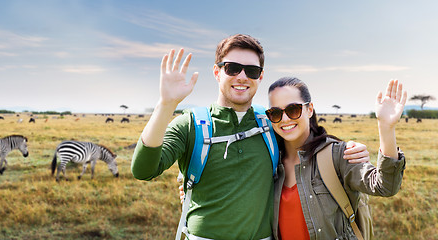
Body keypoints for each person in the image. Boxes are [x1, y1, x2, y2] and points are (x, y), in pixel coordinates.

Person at [131, 34, 369, 240]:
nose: (242, 76)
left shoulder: (271, 123)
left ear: (260, 77)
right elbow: (143, 170)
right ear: (217, 72)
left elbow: (305, 143)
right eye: (232, 68)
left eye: (252, 71)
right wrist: (166, 104)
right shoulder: (190, 123)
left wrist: (347, 147)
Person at [266, 77, 406, 239]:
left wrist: (386, 127)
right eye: (275, 113)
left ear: (310, 109)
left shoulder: (336, 154)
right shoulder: (271, 163)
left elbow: (385, 186)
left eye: (293, 110)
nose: (284, 119)